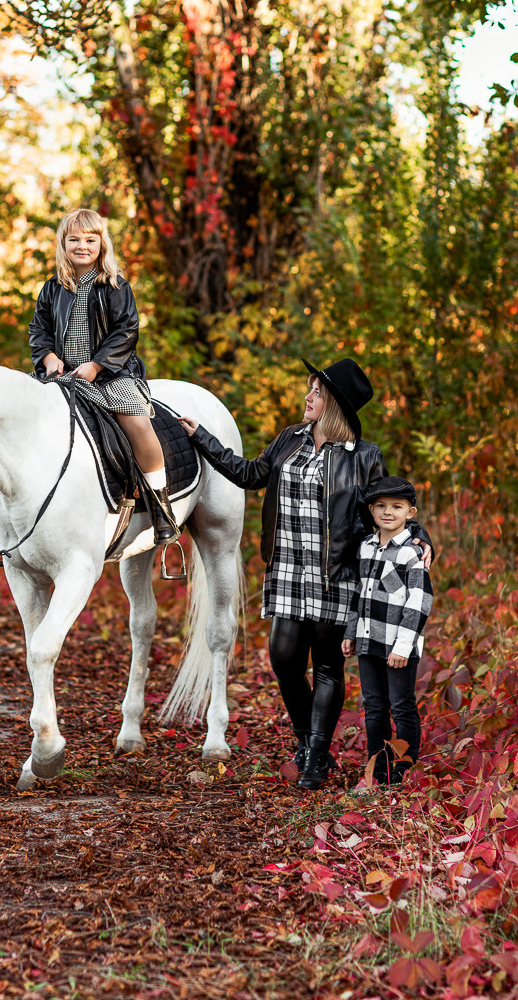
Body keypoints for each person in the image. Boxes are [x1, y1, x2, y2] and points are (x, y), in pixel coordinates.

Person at [178, 358, 433, 791]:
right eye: (309, 390)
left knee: (329, 665)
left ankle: (315, 754)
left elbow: (386, 508)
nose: (307, 397)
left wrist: (420, 535)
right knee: (284, 658)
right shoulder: (290, 440)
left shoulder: (364, 456)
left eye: (316, 391)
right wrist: (201, 438)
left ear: (333, 402)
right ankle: (306, 740)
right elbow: (250, 474)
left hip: (336, 574)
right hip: (289, 569)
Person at [28, 207, 178, 545]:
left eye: (90, 239)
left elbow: (126, 330)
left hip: (111, 374)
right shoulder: (52, 288)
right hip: (63, 376)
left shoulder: (114, 285)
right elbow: (38, 329)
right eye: (75, 239)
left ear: (101, 244)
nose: (83, 246)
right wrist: (48, 356)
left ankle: (160, 503)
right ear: (63, 244)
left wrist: (97, 365)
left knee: (137, 423)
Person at [342, 477, 433, 786]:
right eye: (380, 506)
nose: (388, 512)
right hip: (369, 640)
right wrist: (351, 633)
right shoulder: (366, 547)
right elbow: (360, 593)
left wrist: (403, 645)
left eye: (396, 507)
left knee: (402, 705)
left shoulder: (413, 553)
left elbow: (419, 602)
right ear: (371, 510)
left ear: (410, 512)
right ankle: (377, 769)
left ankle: (404, 769)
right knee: (375, 707)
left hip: (398, 645)